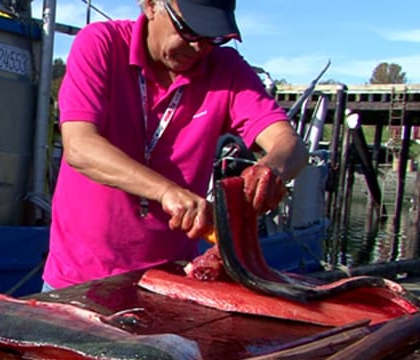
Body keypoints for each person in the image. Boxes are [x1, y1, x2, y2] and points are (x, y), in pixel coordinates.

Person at [42, 0, 309, 291]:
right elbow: (80, 146)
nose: (199, 48)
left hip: (172, 283)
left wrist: (271, 169)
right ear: (150, 4)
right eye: (189, 30)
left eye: (214, 38)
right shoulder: (100, 44)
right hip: (77, 281)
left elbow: (290, 145)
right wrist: (166, 191)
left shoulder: (226, 69)